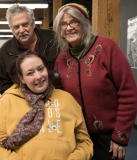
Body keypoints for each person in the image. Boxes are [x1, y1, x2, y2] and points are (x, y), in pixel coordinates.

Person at [53, 3, 137, 160]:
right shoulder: (61, 58)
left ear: (84, 23)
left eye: (74, 22)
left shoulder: (107, 48)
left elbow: (128, 93)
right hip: (76, 138)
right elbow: (58, 98)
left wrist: (121, 137)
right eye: (63, 24)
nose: (69, 27)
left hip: (108, 138)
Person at [0, 50, 93, 160]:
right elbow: (0, 145)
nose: (38, 76)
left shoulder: (67, 99)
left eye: (41, 69)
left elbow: (84, 142)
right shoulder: (7, 100)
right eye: (30, 73)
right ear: (21, 78)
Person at [0, 4, 60, 94]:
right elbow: (3, 82)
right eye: (16, 27)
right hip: (23, 103)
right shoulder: (5, 51)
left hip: (56, 98)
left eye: (25, 24)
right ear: (11, 29)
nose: (21, 30)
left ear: (33, 23)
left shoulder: (54, 40)